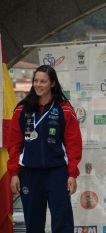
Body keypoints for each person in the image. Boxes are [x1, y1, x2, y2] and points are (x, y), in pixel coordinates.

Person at [7, 65, 82, 233]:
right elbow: (14, 144)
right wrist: (13, 173)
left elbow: (73, 144)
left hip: (57, 173)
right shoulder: (22, 109)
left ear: (53, 83)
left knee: (62, 222)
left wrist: (71, 173)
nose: (38, 85)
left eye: (43, 81)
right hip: (30, 173)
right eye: (36, 81)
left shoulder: (64, 108)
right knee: (33, 224)